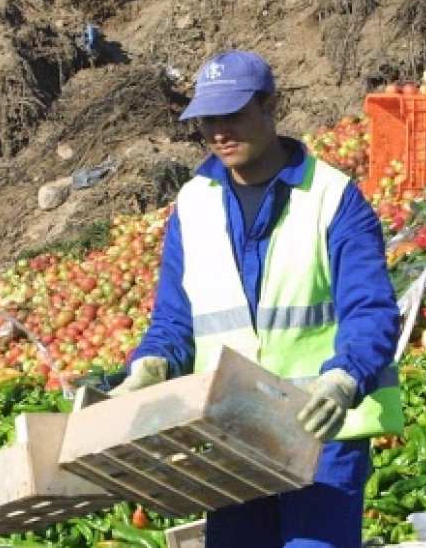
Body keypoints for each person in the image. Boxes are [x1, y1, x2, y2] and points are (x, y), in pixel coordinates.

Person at [111, 50, 404, 548]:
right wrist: (150, 364)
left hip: (320, 435)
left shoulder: (332, 197)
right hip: (235, 435)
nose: (220, 132)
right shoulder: (193, 204)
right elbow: (175, 318)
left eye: (234, 114)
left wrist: (342, 380)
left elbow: (370, 309)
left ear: (271, 105)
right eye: (208, 119)